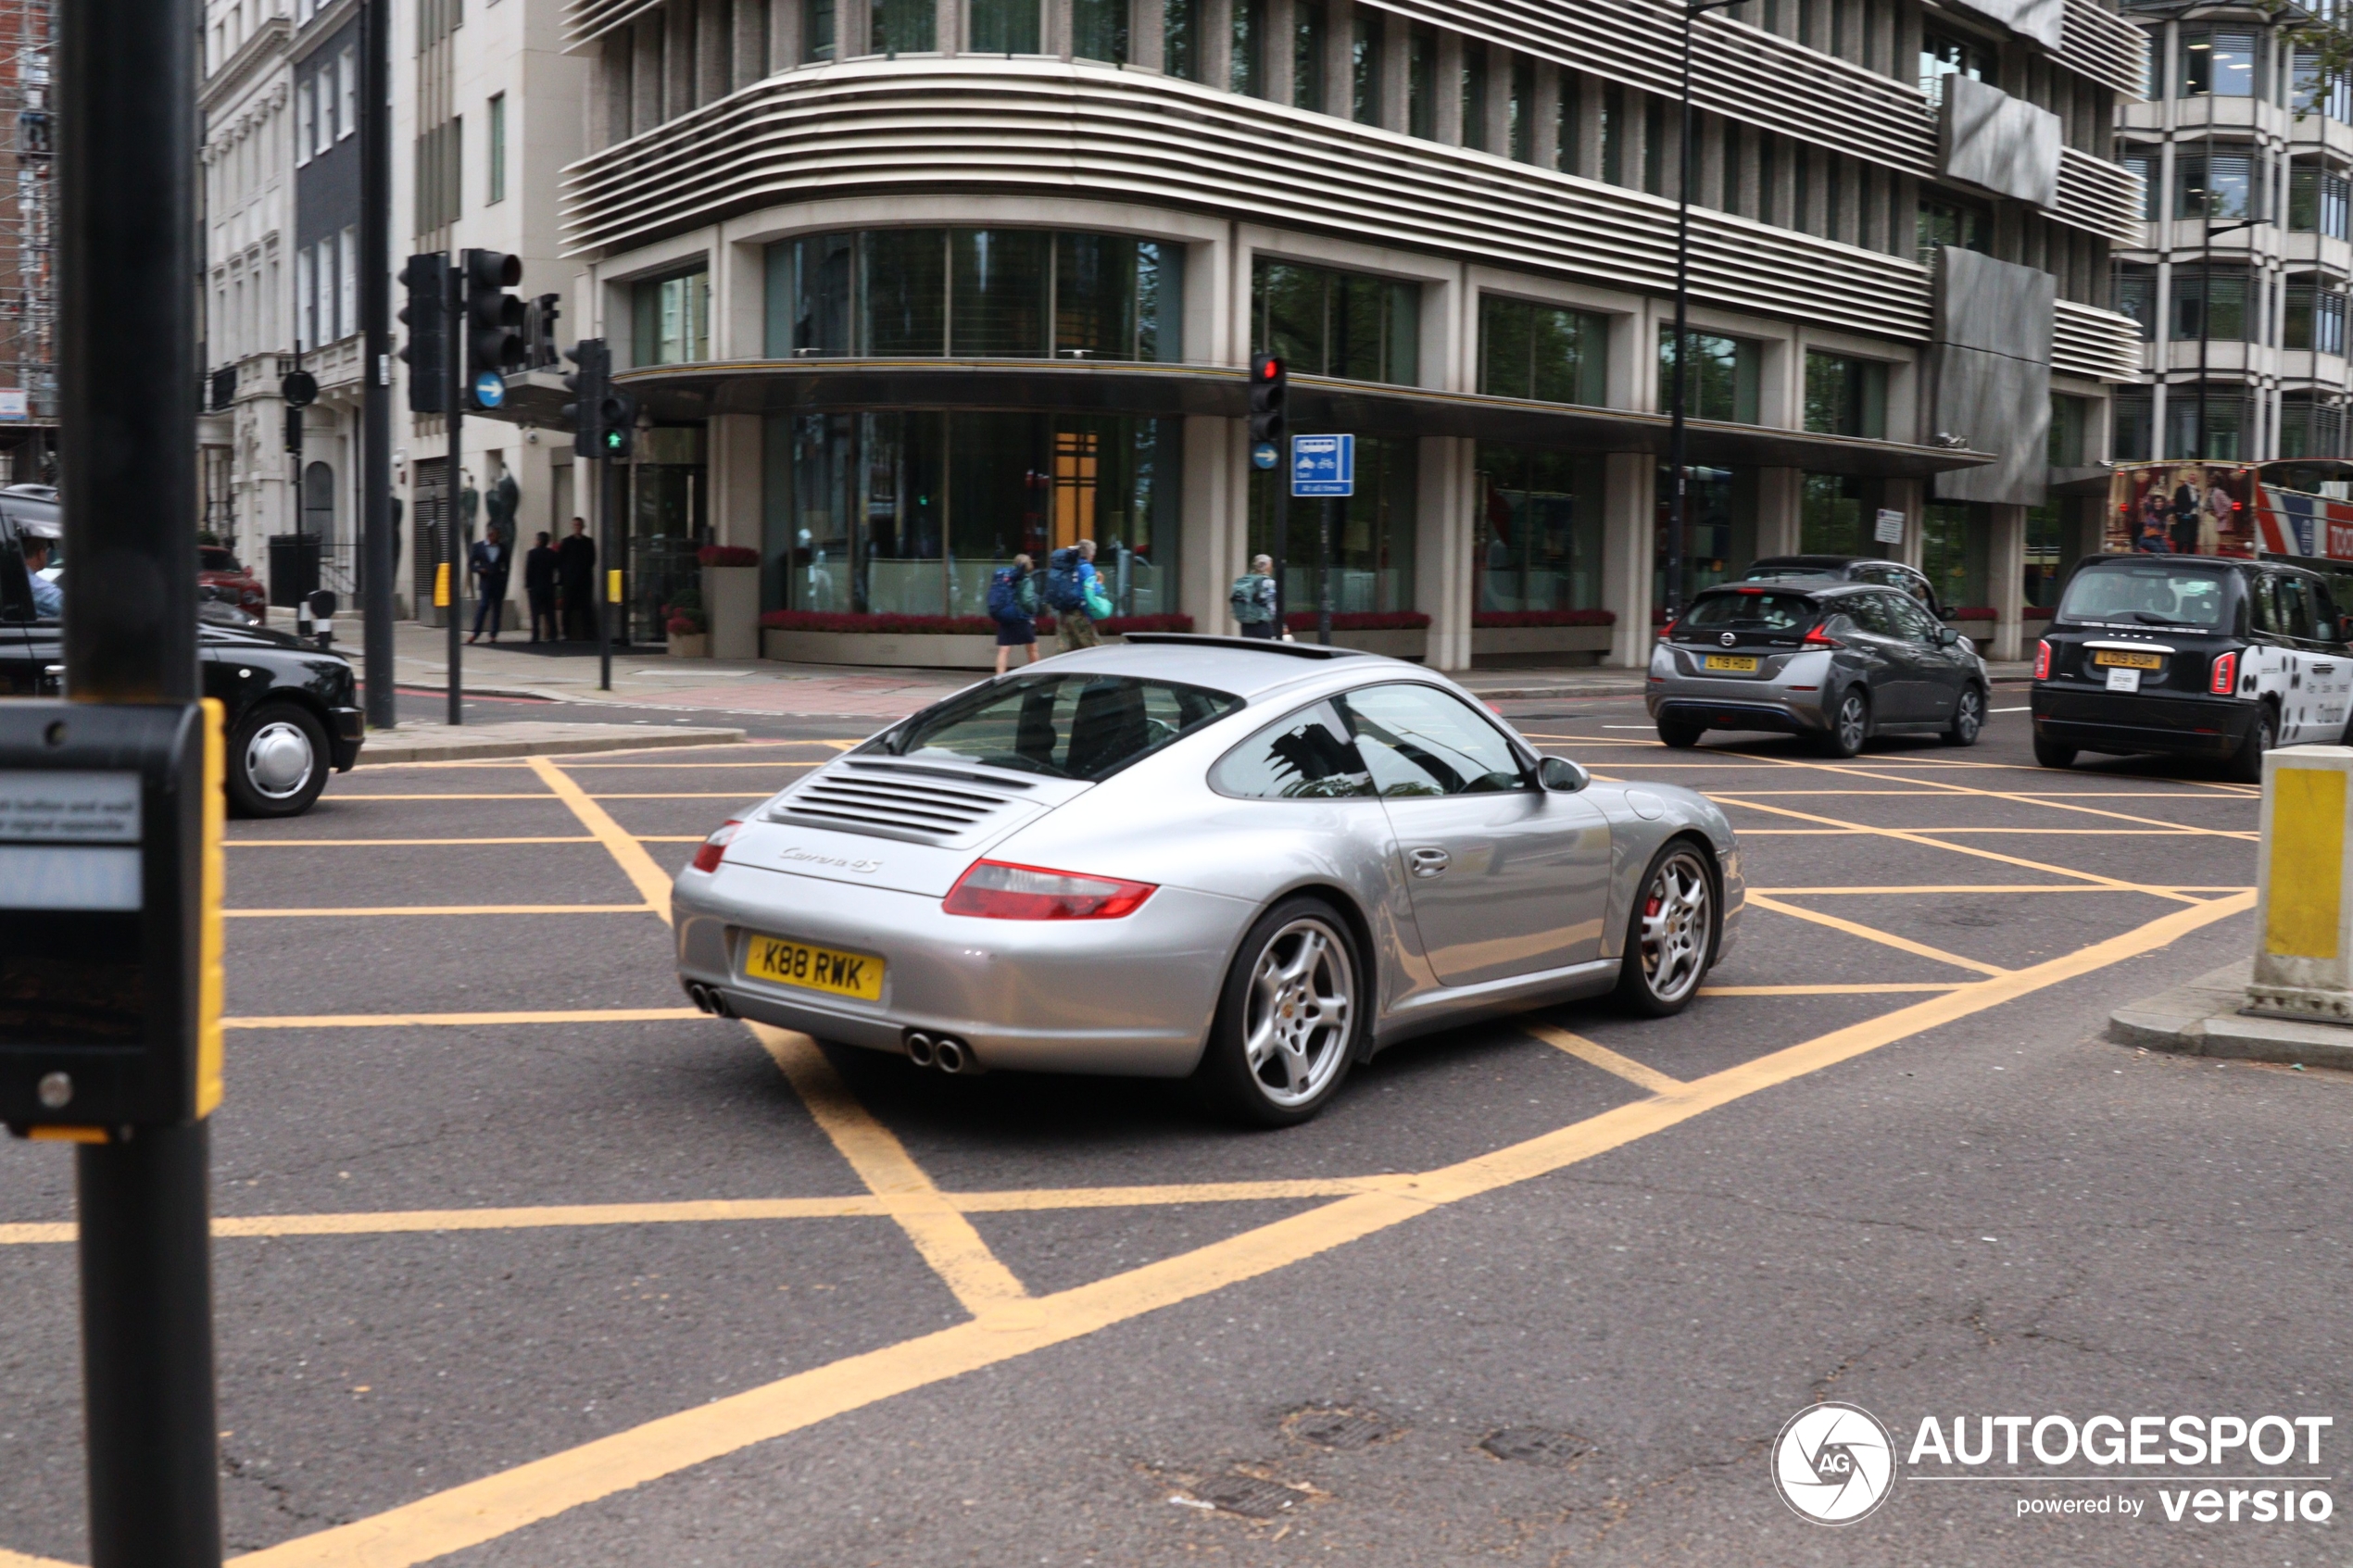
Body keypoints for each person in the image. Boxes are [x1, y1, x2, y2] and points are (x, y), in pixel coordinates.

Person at [1045, 537, 1102, 654]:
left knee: (1065, 652)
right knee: (1095, 650)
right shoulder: (1086, 567)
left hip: (1062, 613)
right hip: (1079, 614)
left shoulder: (1068, 565)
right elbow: (1091, 591)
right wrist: (1100, 583)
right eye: (1093, 553)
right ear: (1090, 554)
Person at [986, 552, 1038, 675]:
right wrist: (1033, 610)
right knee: (1032, 649)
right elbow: (1027, 600)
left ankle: (1000, 677)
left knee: (1004, 650)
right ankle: (1037, 675)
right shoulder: (1026, 580)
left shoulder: (1006, 578)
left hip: (1006, 616)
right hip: (1021, 618)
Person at [467, 526, 510, 644]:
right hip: (485, 582)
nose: (497, 538)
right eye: (496, 535)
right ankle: (476, 633)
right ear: (490, 535)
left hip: (498, 582)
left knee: (497, 608)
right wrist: (479, 569)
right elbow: (471, 564)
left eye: (498, 536)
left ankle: (493, 634)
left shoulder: (502, 548)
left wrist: (504, 578)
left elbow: (506, 565)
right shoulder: (479, 547)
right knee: (483, 606)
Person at [557, 517, 597, 641]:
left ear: (582, 526)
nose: (577, 527)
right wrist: (564, 577)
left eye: (579, 525)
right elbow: (561, 561)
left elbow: (592, 559)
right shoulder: (567, 542)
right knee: (567, 607)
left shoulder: (588, 542)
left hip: (584, 580)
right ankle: (565, 632)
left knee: (586, 607)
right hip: (570, 580)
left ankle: (588, 632)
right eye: (575, 525)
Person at [1229, 553, 1278, 638]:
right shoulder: (1268, 582)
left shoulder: (1246, 580)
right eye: (1271, 565)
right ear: (1267, 567)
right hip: (1262, 624)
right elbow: (1271, 605)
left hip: (1245, 625)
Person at [524, 530, 560, 643]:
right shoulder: (552, 554)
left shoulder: (532, 553)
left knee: (535, 613)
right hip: (548, 586)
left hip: (535, 587)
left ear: (539, 541)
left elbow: (529, 571)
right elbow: (557, 568)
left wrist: (528, 585)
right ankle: (553, 634)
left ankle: (535, 635)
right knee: (550, 612)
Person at [19, 531, 59, 618]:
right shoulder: (37, 588)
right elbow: (76, 609)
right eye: (47, 551)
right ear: (40, 553)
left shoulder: (13, 576)